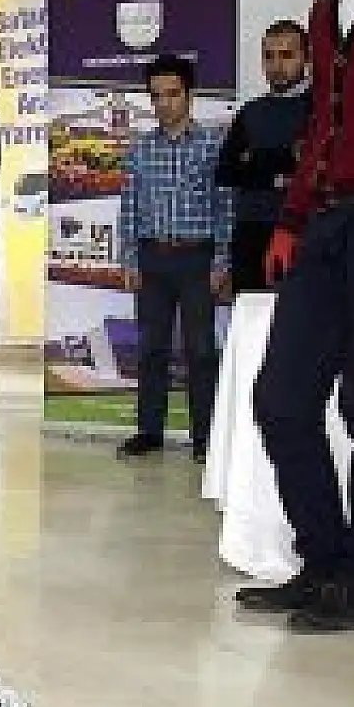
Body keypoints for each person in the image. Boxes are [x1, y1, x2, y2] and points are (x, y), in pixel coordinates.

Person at [245, 0, 354, 633]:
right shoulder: (324, 8)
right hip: (325, 217)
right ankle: (325, 562)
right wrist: (292, 218)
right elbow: (324, 119)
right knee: (281, 398)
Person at [115, 55, 233, 465]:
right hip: (152, 258)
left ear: (189, 95)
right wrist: (130, 259)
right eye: (157, 96)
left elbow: (224, 206)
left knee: (200, 351)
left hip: (197, 259)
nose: (164, 103)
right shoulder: (140, 148)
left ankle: (205, 438)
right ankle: (149, 432)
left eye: (172, 94)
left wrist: (222, 261)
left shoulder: (212, 145)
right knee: (151, 348)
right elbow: (129, 206)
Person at [215, 20, 311, 293]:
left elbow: (316, 171)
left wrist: (256, 161)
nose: (276, 65)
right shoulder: (250, 112)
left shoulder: (320, 110)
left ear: (306, 58)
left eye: (286, 55)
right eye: (269, 56)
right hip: (250, 234)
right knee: (250, 316)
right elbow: (226, 172)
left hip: (304, 233)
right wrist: (284, 168)